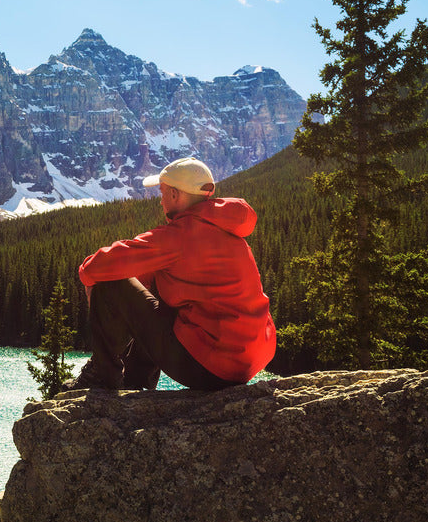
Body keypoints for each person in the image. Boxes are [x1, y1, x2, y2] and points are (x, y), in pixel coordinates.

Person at [67, 156, 275, 392]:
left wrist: (92, 283)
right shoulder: (229, 231)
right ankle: (136, 380)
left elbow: (99, 266)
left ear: (175, 195)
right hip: (247, 363)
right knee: (163, 282)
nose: (160, 200)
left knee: (108, 282)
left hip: (209, 367)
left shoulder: (179, 236)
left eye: (163, 192)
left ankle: (101, 377)